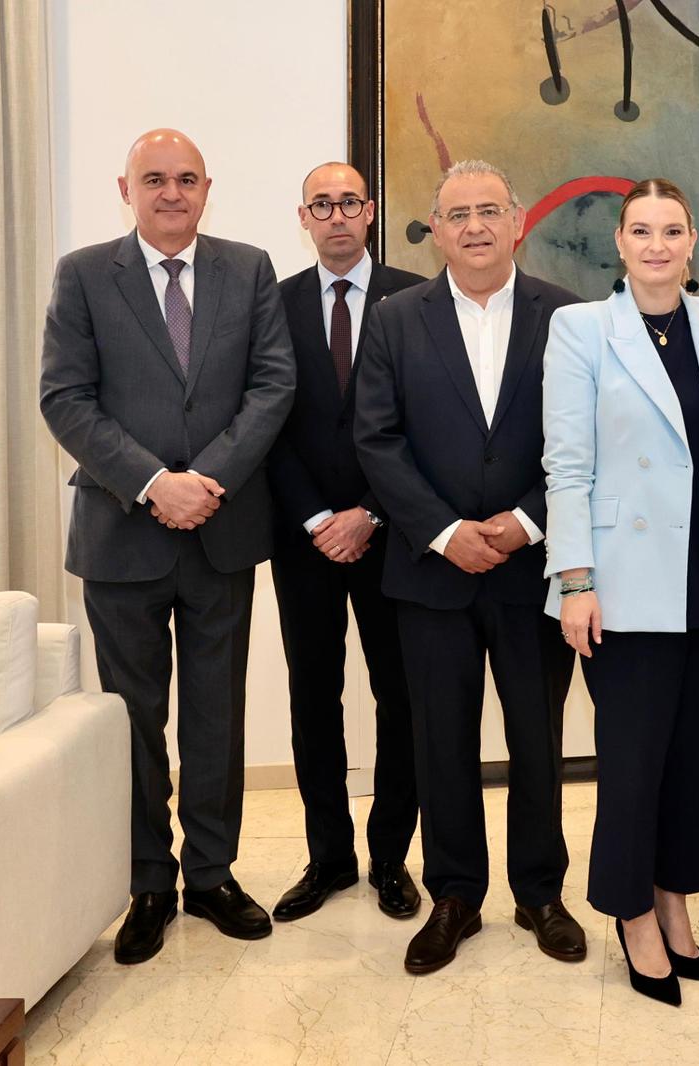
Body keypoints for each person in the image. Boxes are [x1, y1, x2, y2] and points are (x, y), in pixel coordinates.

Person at [39, 128, 295, 964]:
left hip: (222, 532)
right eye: (156, 179)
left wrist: (206, 481)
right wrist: (155, 483)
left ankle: (211, 874)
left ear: (207, 187)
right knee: (134, 721)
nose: (172, 192)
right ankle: (148, 881)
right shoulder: (84, 274)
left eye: (186, 179)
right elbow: (65, 398)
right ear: (127, 188)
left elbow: (272, 384)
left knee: (216, 718)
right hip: (121, 534)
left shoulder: (248, 268)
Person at [354, 160, 585, 974]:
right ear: (435, 229)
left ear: (518, 220)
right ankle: (455, 894)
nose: (476, 226)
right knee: (440, 741)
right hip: (430, 574)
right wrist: (444, 531)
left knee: (537, 739)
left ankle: (540, 891)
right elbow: (375, 440)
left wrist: (527, 521)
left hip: (533, 571)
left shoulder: (570, 318)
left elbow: (583, 440)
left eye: (491, 210)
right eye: (458, 215)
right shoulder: (394, 319)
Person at [542, 179, 699, 1007]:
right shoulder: (582, 328)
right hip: (622, 586)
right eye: (642, 230)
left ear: (693, 240)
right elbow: (566, 463)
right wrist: (576, 583)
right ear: (621, 243)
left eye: (673, 229)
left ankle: (675, 900)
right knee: (634, 764)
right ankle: (633, 913)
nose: (658, 244)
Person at [266, 162, 425, 924]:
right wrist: (316, 520)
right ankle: (328, 856)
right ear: (303, 217)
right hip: (306, 543)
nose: (336, 216)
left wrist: (369, 512)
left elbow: (427, 424)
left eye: (349, 202)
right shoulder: (275, 304)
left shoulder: (416, 298)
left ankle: (392, 857)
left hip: (394, 536)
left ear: (370, 211)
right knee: (312, 696)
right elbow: (268, 422)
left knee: (401, 698)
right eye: (321, 204)